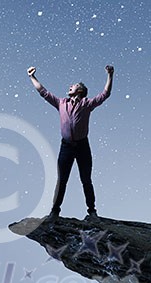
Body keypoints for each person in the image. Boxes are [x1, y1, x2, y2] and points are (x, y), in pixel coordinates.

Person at [27, 65, 114, 220]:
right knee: (62, 180)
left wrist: (110, 75)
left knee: (86, 179)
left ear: (80, 90)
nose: (70, 86)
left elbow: (105, 94)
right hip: (66, 147)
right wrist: (32, 77)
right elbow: (43, 92)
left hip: (82, 147)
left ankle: (92, 211)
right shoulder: (61, 103)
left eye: (73, 86)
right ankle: (54, 211)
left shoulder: (87, 104)